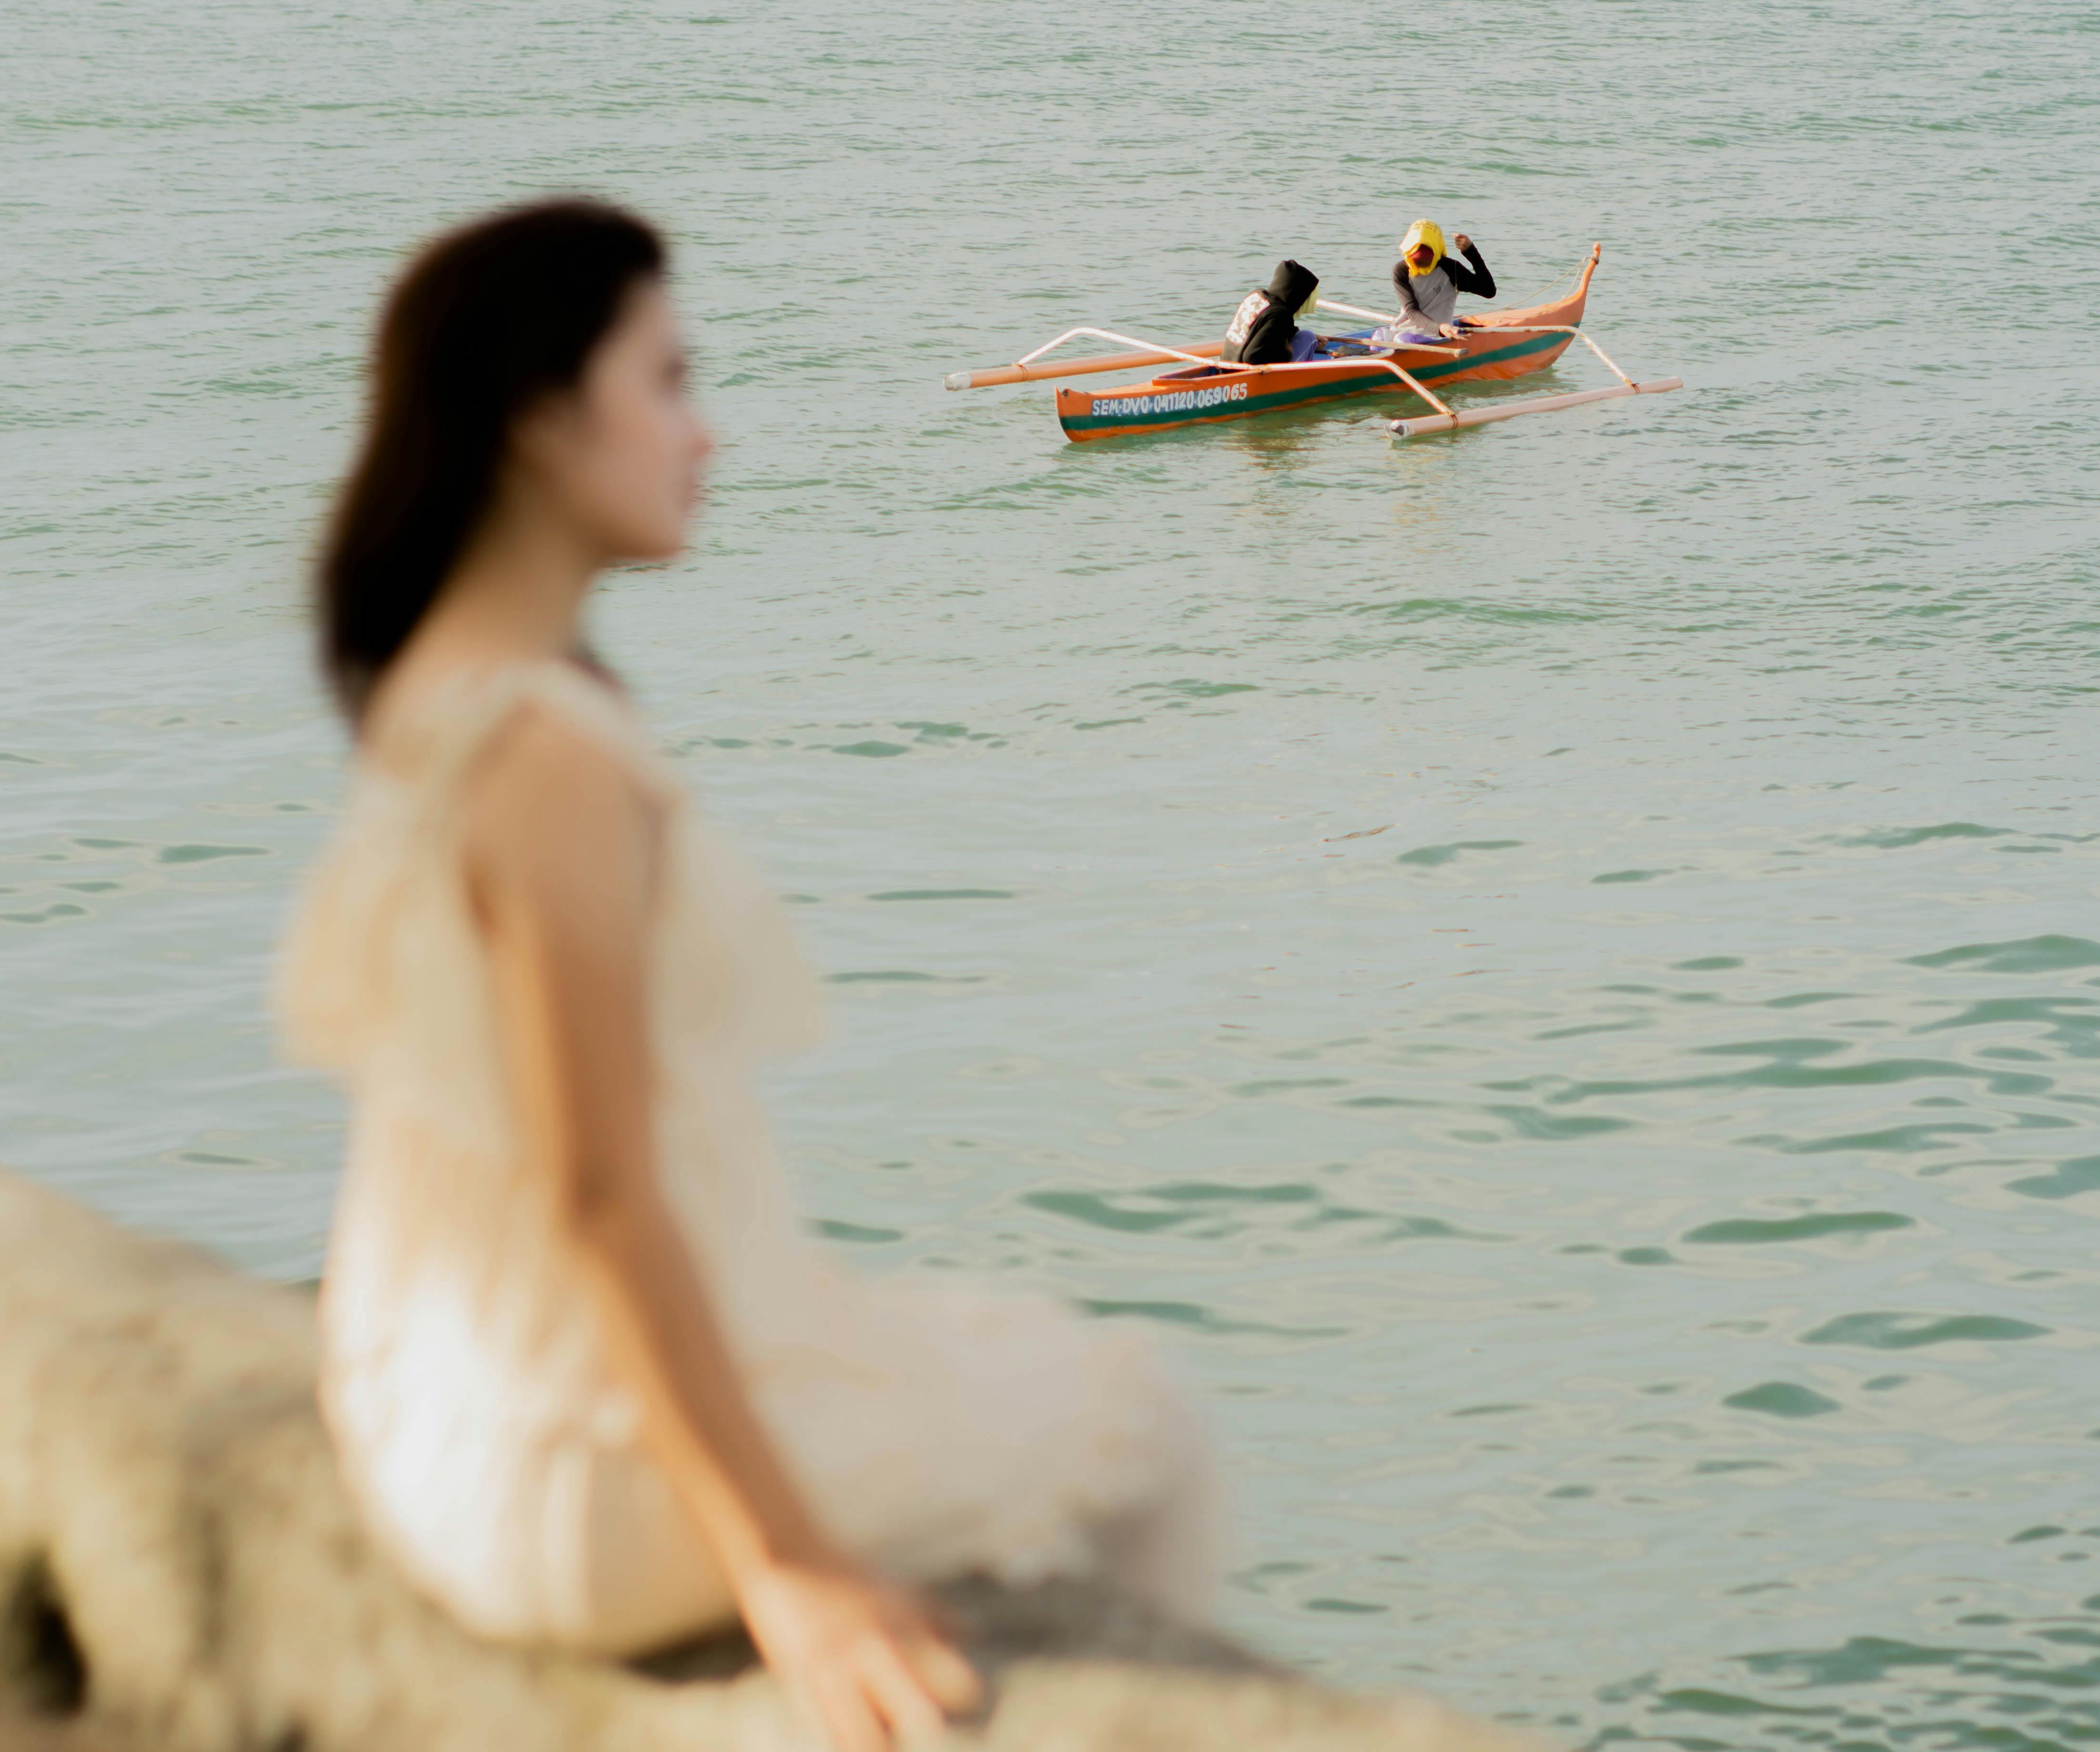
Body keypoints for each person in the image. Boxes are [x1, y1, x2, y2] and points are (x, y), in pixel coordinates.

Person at [279, 200, 1221, 1752]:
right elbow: (598, 1196)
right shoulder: (548, 757)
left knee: (969, 1356)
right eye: (666, 384)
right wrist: (783, 1565)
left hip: (402, 1396)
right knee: (1143, 1426)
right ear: (536, 422)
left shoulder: (426, 692)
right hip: (553, 1463)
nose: (705, 436)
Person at [1386, 220, 1496, 344]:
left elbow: (1489, 291)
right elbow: (1411, 310)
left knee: (1402, 340)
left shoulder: (1451, 269)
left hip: (1436, 336)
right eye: (1415, 258)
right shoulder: (1401, 270)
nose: (1420, 263)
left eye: (1426, 257)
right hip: (1404, 330)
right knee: (1380, 340)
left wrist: (1471, 252)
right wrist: (1439, 328)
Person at [1223, 258, 1335, 365]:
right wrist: (1288, 352)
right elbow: (1252, 357)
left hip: (1228, 365)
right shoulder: (1280, 314)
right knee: (1307, 337)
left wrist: (1293, 333)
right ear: (1297, 294)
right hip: (1248, 375)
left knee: (1304, 335)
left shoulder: (1258, 296)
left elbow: (1267, 330)